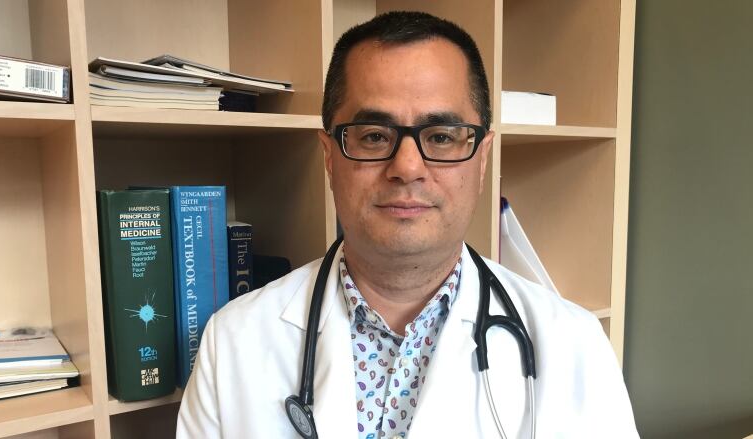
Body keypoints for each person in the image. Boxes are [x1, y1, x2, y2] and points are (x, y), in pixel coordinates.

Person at [177, 11, 639, 439]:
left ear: (482, 159)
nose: (408, 167)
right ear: (329, 156)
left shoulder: (575, 347)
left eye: (440, 136)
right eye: (375, 136)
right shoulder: (232, 343)